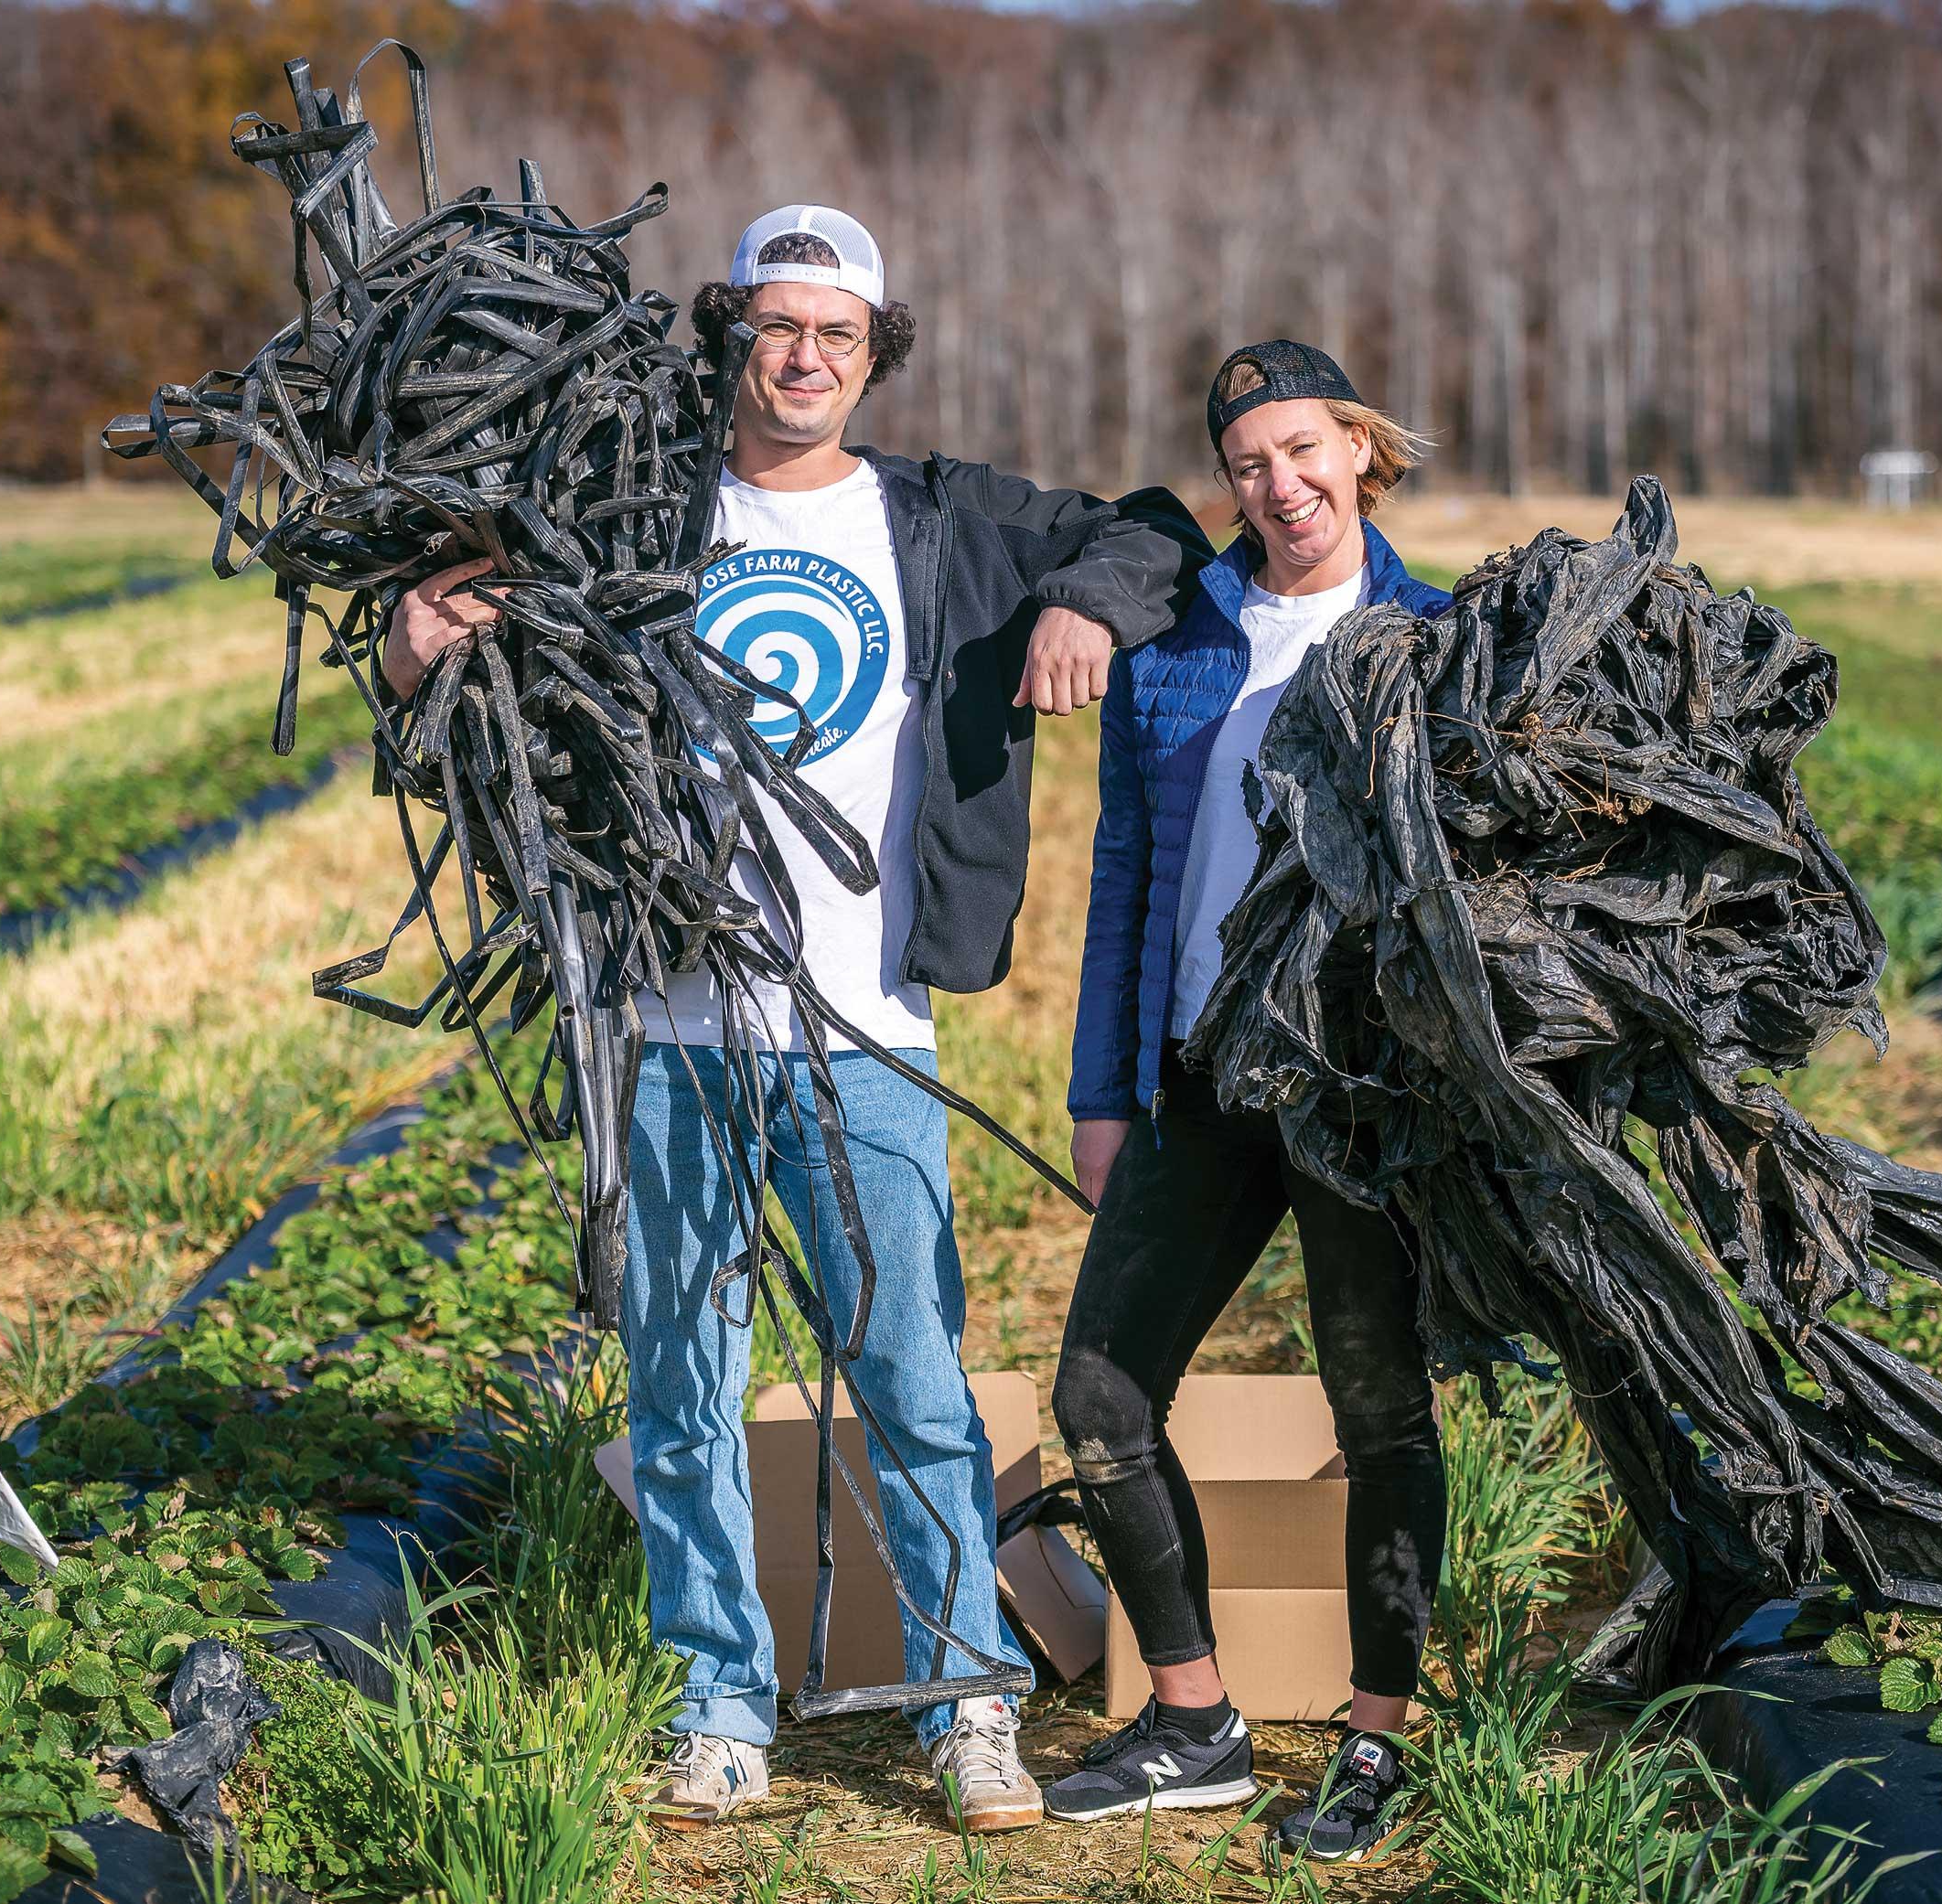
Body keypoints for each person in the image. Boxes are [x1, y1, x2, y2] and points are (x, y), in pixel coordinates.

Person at [381, 205, 1203, 1834]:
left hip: (865, 1027)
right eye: (776, 325)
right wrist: (413, 658)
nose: (804, 355)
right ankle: (717, 1705)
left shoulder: (944, 519)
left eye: (836, 330)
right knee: (677, 1379)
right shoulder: (625, 508)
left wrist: (1084, 608)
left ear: (873, 350)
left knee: (911, 1371)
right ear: (731, 336)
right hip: (664, 1023)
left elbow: (1160, 529)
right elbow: (455, 671)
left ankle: (971, 1698)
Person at [1046, 341, 1451, 1863]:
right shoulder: (1181, 636)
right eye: (1248, 463)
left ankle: (1375, 1736)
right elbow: (1127, 877)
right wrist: (1104, 1087)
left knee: (1380, 1408)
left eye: (1303, 450)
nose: (1278, 486)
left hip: (1363, 1093)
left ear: (1360, 447)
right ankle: (1196, 1721)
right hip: (1203, 1071)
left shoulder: (1438, 635)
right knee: (1100, 1394)